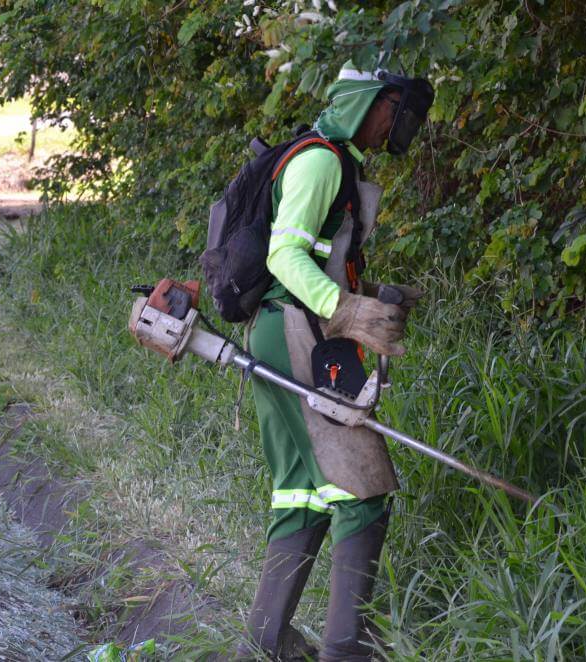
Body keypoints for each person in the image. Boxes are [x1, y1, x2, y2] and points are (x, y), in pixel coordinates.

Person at [238, 62, 433, 661]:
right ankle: (346, 651)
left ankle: (263, 643)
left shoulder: (335, 162)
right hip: (298, 330)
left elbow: (319, 260)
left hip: (281, 330)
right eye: (394, 113)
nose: (396, 128)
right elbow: (284, 256)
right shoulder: (321, 160)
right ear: (369, 102)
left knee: (302, 491)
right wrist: (343, 311)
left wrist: (365, 295)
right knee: (363, 488)